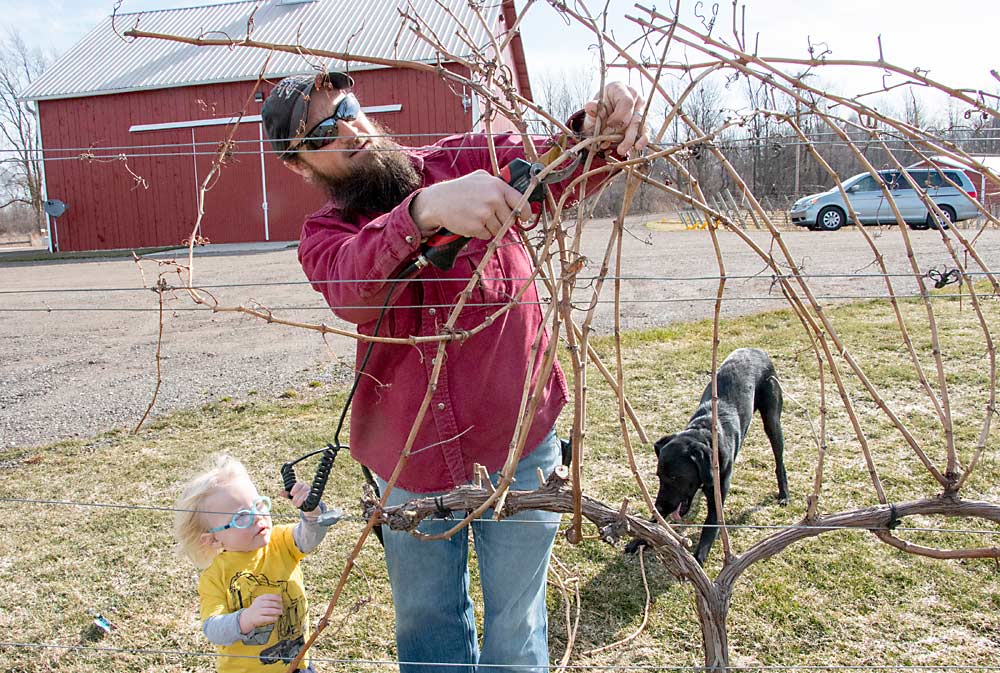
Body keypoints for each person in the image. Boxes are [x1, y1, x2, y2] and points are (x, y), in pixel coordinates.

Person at [261, 70, 647, 673]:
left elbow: (553, 169)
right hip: (409, 463)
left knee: (516, 626)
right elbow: (352, 288)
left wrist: (600, 132)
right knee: (427, 623)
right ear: (298, 164)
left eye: (349, 108)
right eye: (322, 134)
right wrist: (421, 213)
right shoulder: (325, 234)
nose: (349, 131)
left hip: (518, 440)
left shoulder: (466, 160)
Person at [173, 454, 333, 672]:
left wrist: (311, 509)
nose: (258, 516)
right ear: (213, 538)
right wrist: (245, 619)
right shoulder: (214, 576)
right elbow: (212, 628)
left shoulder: (280, 541)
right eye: (241, 517)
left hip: (297, 664)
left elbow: (309, 537)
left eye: (258, 504)